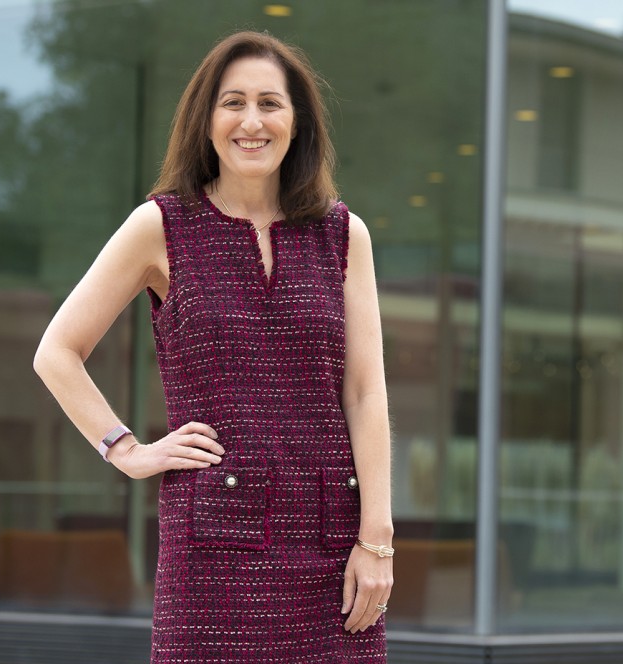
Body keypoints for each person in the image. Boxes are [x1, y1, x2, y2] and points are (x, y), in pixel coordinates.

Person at [32, 30, 392, 662]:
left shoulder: (343, 234)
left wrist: (377, 539)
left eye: (270, 103)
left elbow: (364, 393)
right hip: (210, 553)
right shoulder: (160, 225)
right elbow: (56, 351)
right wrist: (126, 450)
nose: (252, 122)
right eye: (233, 103)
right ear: (207, 120)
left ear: (297, 122)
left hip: (335, 545)